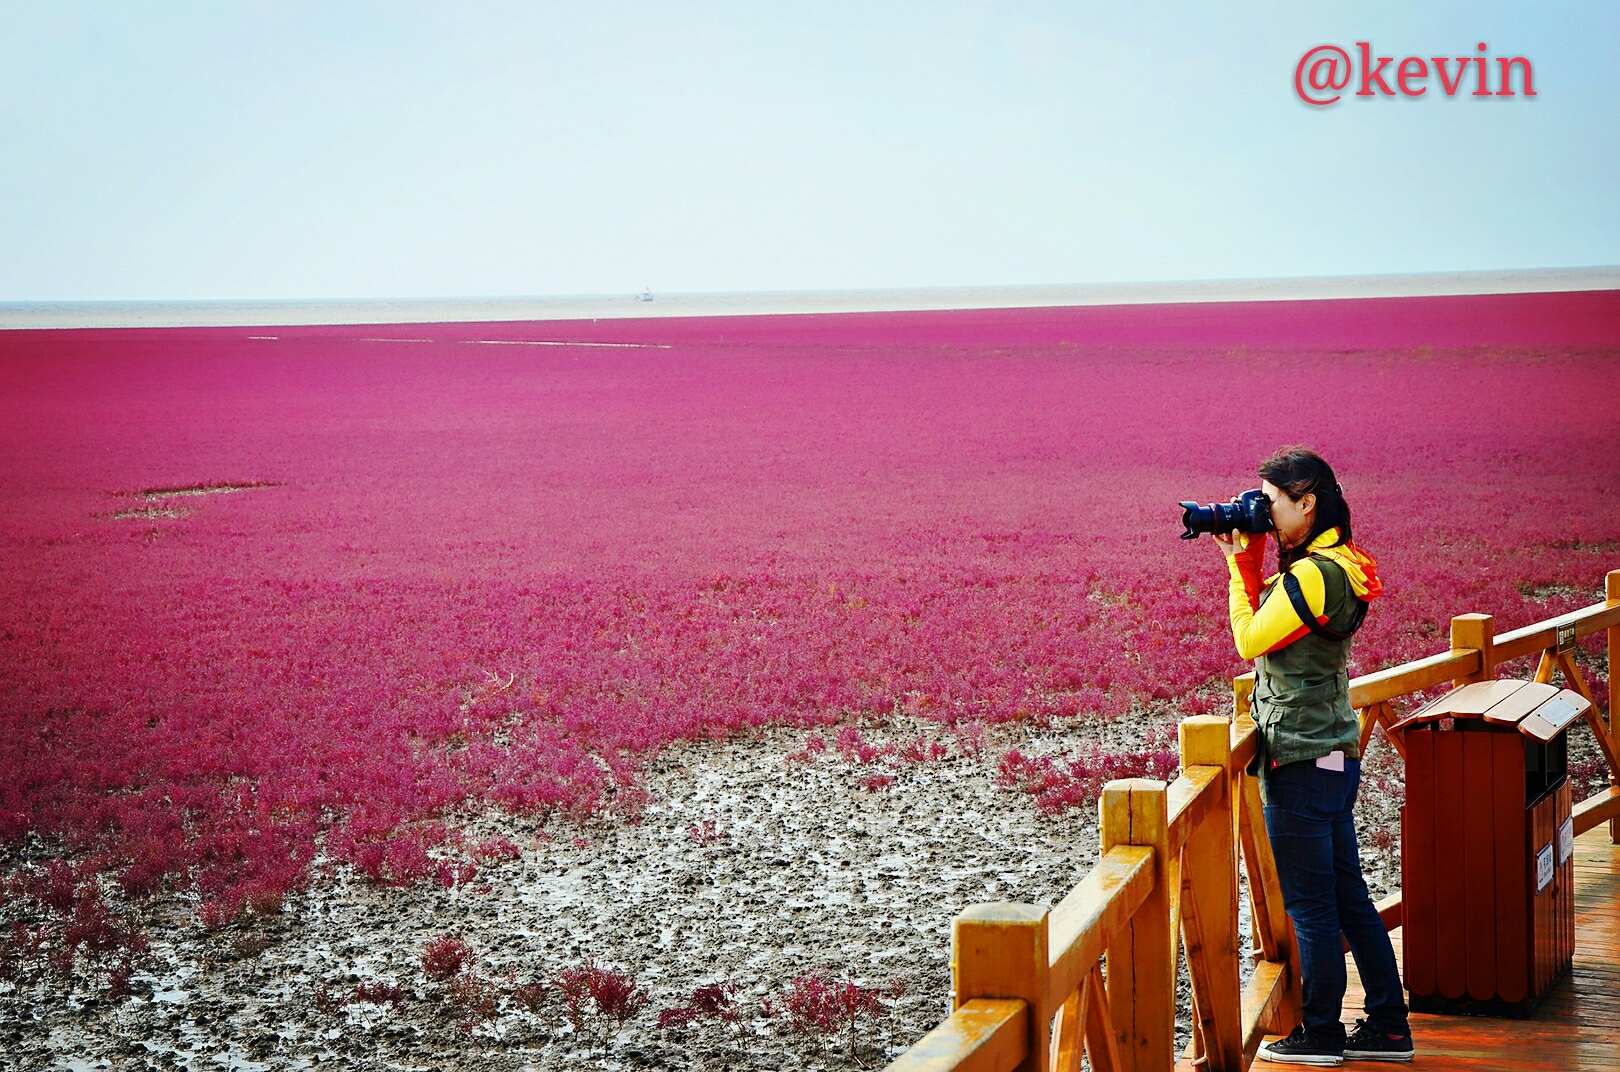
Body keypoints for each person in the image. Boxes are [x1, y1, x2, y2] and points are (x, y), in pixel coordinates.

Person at [1212, 447, 1414, 1066]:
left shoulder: (1309, 577)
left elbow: (1249, 638)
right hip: (1333, 749)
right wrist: (1252, 557)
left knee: (1311, 905)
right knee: (1348, 893)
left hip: (1299, 755)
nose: (1263, 511)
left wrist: (1235, 569)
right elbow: (1283, 632)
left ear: (1307, 503)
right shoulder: (1341, 565)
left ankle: (1322, 1033)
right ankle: (1387, 1027)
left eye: (1272, 501)